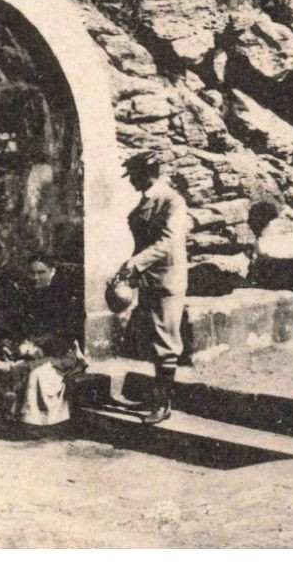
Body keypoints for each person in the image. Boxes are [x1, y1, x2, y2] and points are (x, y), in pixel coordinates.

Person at [111, 150, 192, 425]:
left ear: (148, 174)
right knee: (150, 338)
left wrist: (135, 264)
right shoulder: (147, 200)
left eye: (134, 176)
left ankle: (163, 404)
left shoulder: (172, 201)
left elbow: (167, 241)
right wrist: (130, 269)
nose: (131, 181)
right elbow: (142, 243)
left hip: (167, 280)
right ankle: (155, 395)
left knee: (166, 342)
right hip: (148, 279)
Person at [0, 251, 85, 429]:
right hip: (26, 349)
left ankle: (35, 423)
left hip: (59, 353)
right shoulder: (24, 295)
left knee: (37, 374)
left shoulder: (66, 297)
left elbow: (69, 333)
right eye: (32, 273)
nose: (35, 278)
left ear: (52, 271)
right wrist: (7, 345)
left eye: (41, 272)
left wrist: (42, 348)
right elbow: (13, 326)